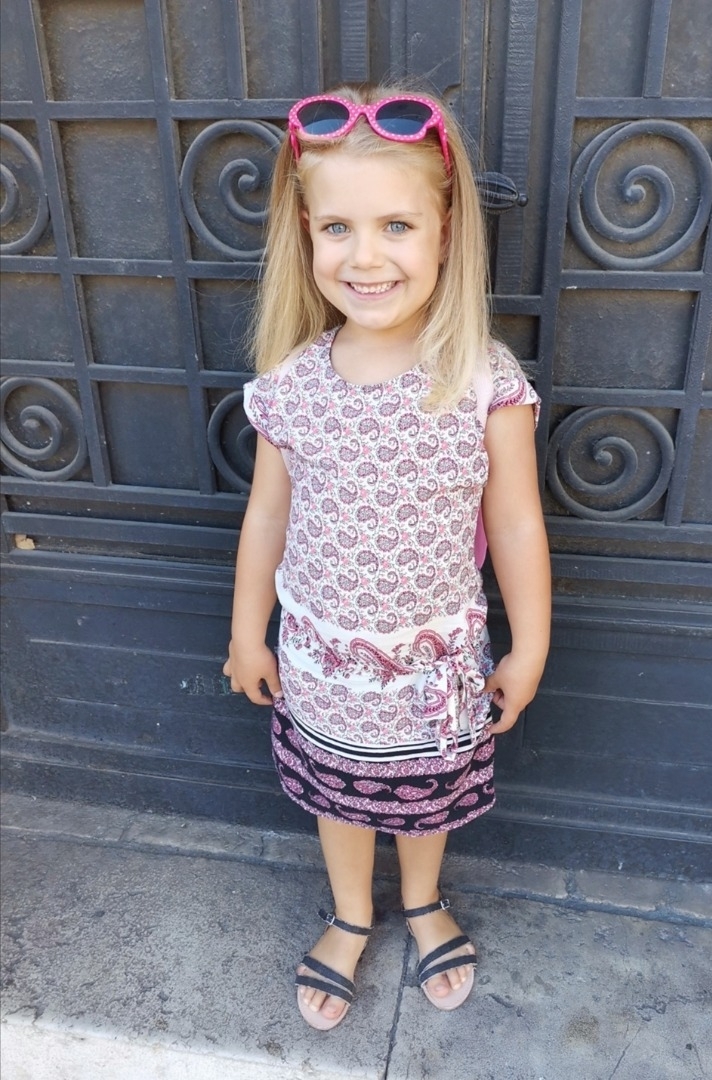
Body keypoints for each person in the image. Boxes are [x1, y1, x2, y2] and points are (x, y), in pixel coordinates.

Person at [224, 82, 551, 1030]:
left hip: (431, 668)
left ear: (445, 232)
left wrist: (529, 647)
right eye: (338, 228)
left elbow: (516, 524)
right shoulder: (290, 387)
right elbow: (265, 517)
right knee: (339, 792)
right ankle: (350, 912)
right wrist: (247, 634)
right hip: (322, 659)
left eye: (396, 225)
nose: (365, 257)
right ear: (305, 234)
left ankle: (421, 900)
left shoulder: (481, 382)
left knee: (424, 796)